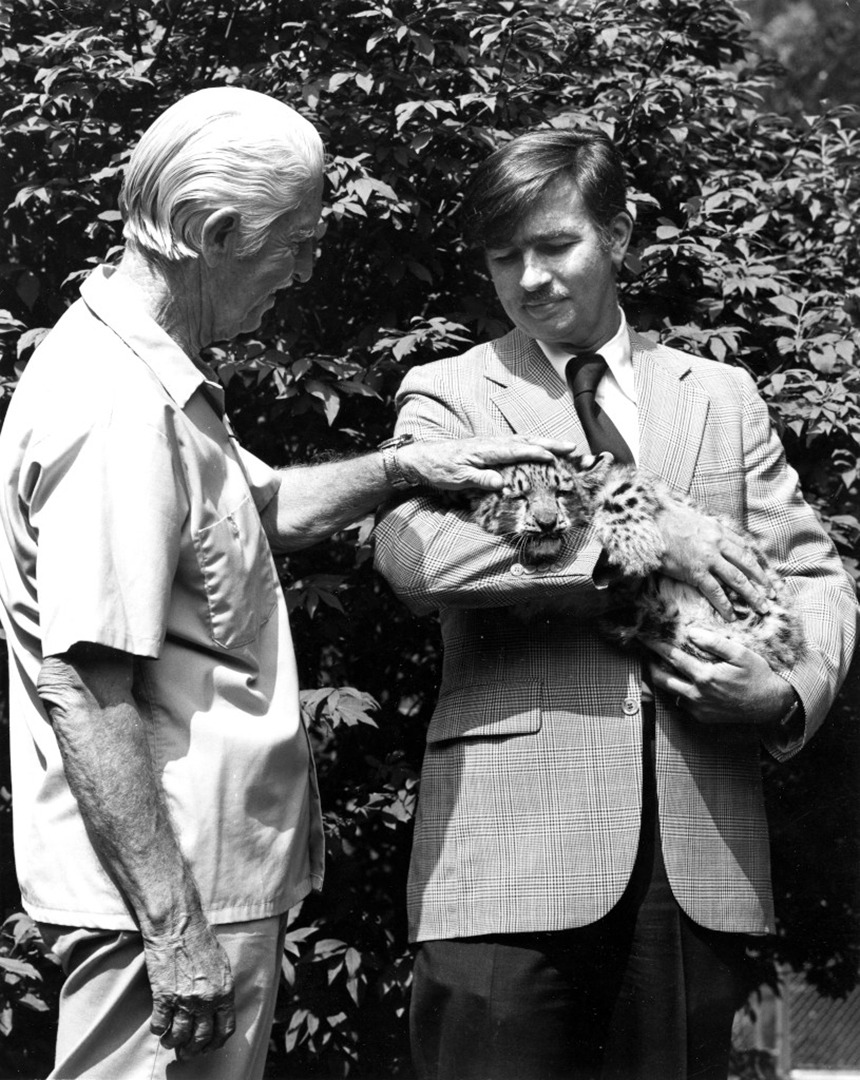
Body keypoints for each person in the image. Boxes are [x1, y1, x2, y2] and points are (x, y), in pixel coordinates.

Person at [0, 88, 570, 1080]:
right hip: (169, 899)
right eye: (295, 243)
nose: (304, 272)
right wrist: (175, 930)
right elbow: (86, 688)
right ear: (215, 233)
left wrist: (404, 468)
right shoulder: (115, 407)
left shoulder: (154, 380)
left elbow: (254, 512)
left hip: (199, 883)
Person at [373, 129, 858, 1080]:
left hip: (698, 859)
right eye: (504, 257)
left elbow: (816, 577)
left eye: (556, 245)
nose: (530, 278)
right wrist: (636, 537)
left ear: (620, 234)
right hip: (505, 862)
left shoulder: (722, 395)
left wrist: (783, 694)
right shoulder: (450, 392)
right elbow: (412, 556)